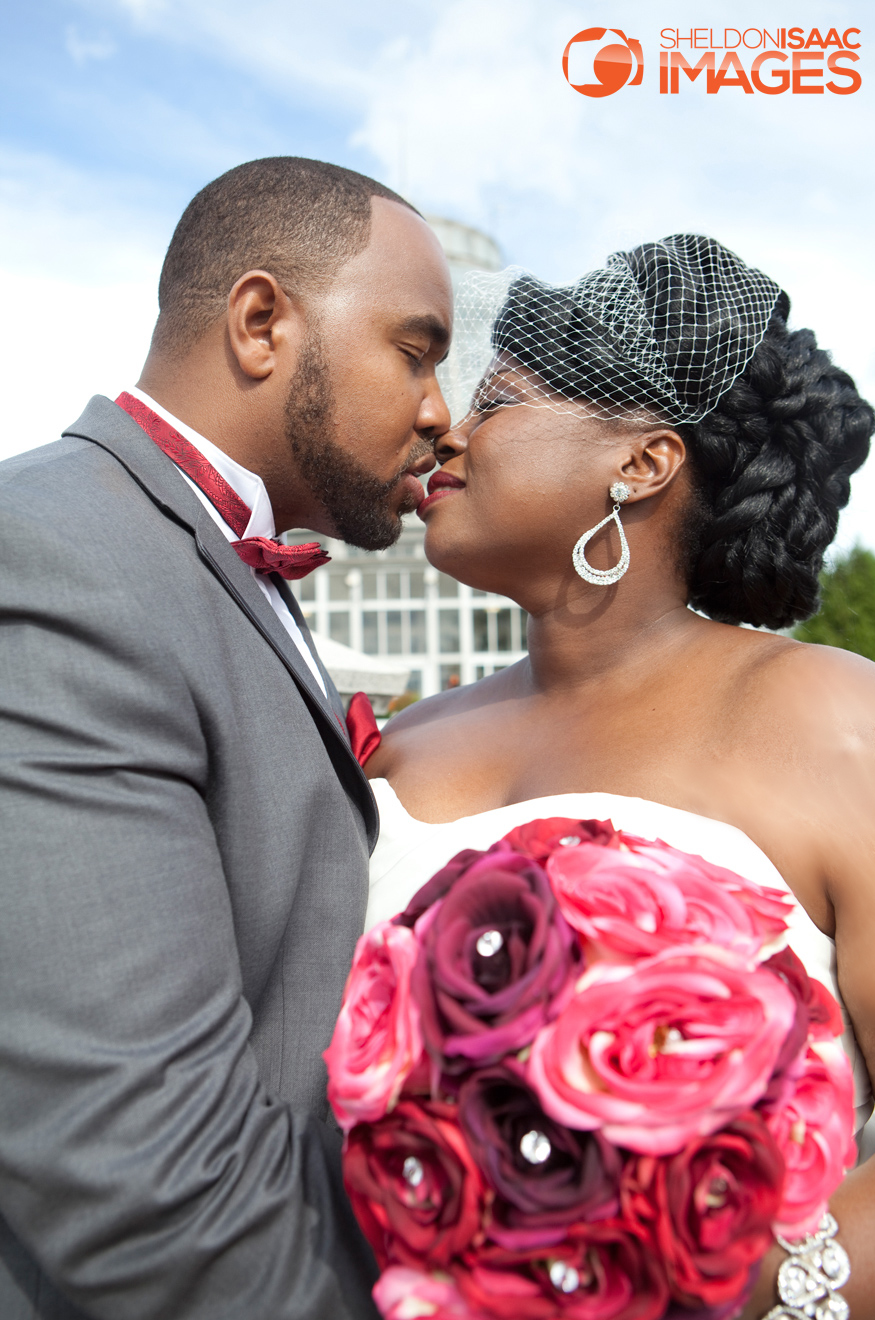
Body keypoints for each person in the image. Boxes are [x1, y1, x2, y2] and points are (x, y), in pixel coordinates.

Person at [364, 235, 875, 1318]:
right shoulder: (398, 747)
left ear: (642, 463)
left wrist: (725, 1289)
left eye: (497, 399)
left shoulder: (838, 722)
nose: (447, 429)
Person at [0, 156, 451, 1319]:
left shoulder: (210, 558)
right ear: (261, 323)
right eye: (415, 349)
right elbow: (138, 1171)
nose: (439, 411)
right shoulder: (55, 555)